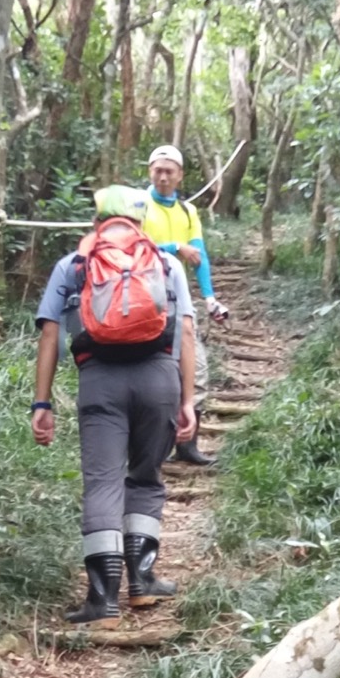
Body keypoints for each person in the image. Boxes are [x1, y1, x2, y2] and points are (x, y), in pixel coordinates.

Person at [30, 190, 197, 623]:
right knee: (145, 477)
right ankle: (142, 583)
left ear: (97, 220)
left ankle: (102, 598)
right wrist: (187, 399)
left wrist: (42, 401)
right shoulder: (167, 264)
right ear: (140, 223)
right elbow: (187, 334)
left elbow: (50, 334)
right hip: (159, 376)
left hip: (100, 380)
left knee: (103, 483)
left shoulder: (74, 265)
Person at [139, 144, 228, 465]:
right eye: (157, 170)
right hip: (141, 303)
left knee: (197, 370)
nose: (163, 177)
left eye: (169, 171)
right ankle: (151, 447)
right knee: (151, 374)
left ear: (180, 176)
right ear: (149, 171)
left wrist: (210, 297)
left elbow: (198, 257)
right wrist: (174, 246)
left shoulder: (189, 212)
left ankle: (188, 445)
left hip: (180, 303)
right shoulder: (138, 205)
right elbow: (131, 245)